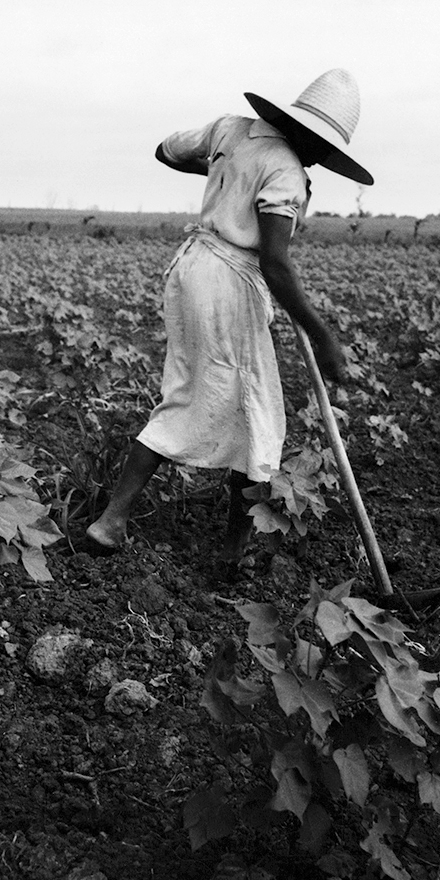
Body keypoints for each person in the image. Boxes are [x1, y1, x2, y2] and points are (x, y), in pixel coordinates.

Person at [86, 68, 374, 569]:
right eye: (323, 150)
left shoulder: (231, 131)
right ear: (310, 136)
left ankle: (114, 522)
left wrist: (229, 175)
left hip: (191, 268)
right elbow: (275, 264)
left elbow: (166, 150)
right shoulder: (286, 172)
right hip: (227, 283)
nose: (319, 160)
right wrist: (322, 335)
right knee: (259, 418)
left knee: (195, 396)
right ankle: (228, 554)